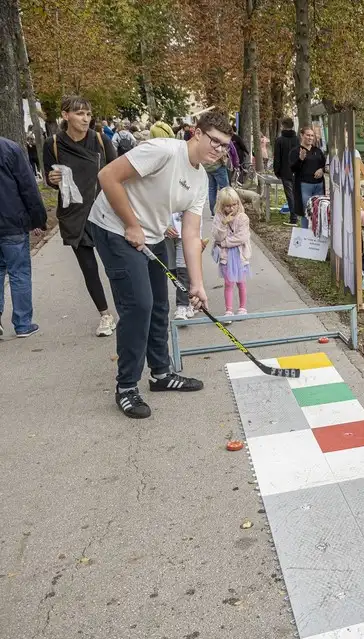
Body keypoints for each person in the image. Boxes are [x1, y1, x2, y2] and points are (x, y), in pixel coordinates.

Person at [87, 109, 232, 419]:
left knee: (159, 305)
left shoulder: (199, 178)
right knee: (138, 305)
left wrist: (197, 284)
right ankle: (126, 387)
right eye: (215, 142)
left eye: (224, 146)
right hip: (113, 226)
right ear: (197, 132)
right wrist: (130, 224)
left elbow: (191, 235)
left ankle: (161, 375)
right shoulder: (164, 151)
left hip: (150, 233)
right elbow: (107, 177)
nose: (219, 150)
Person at [43, 95, 119, 337]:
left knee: (116, 265)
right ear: (66, 116)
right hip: (75, 215)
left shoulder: (101, 140)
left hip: (105, 213)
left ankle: (127, 310)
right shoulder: (52, 144)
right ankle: (105, 315)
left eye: (88, 114)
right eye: (79, 114)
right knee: (89, 268)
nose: (86, 118)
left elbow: (118, 174)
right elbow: (50, 177)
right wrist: (51, 180)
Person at [0, 136, 47, 339]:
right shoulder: (9, 148)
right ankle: (22, 323)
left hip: (11, 221)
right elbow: (27, 186)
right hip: (12, 221)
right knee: (19, 272)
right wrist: (37, 218)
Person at [211, 187, 252, 316]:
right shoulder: (218, 217)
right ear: (221, 205)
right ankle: (228, 310)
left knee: (241, 282)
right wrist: (223, 224)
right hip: (226, 256)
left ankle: (242, 308)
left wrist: (224, 243)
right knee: (228, 283)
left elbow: (242, 237)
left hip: (240, 255)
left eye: (234, 204)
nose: (231, 208)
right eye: (227, 206)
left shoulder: (243, 218)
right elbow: (217, 236)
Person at [289, 126, 327, 231]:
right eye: (308, 135)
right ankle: (306, 236)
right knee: (306, 212)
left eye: (312, 135)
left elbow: (326, 166)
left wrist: (322, 170)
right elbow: (293, 169)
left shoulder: (318, 151)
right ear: (302, 135)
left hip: (318, 185)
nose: (310, 138)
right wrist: (300, 159)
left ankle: (317, 236)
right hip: (304, 185)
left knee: (319, 211)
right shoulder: (295, 151)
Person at [273, 117, 301, 226]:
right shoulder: (297, 139)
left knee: (289, 195)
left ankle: (293, 218)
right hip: (296, 171)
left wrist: (277, 171)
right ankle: (298, 215)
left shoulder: (279, 140)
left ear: (283, 126)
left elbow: (277, 158)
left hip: (285, 171)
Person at [204, 146, 231, 218]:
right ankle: (226, 211)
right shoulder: (217, 140)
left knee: (212, 189)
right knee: (225, 189)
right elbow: (221, 152)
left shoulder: (206, 139)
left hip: (208, 167)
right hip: (218, 166)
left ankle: (213, 212)